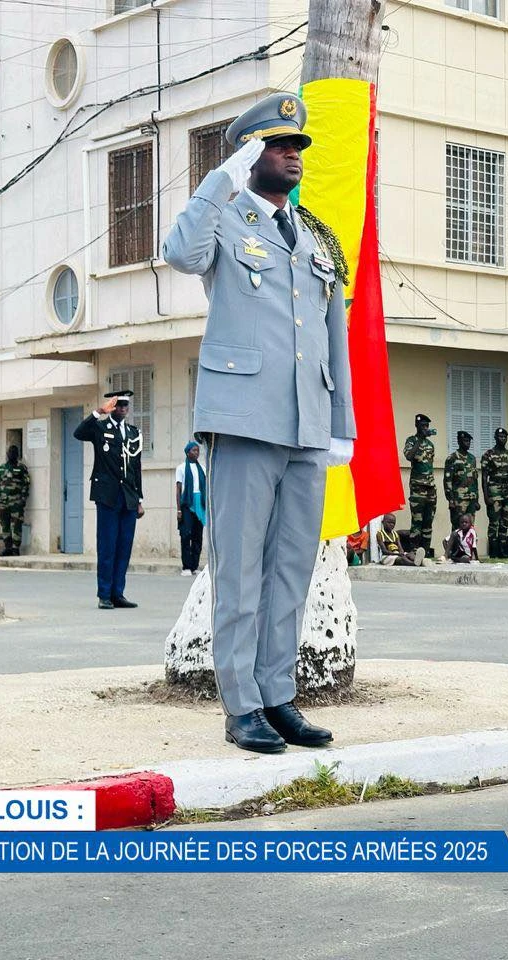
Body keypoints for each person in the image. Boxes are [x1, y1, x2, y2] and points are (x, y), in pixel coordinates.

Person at [163, 92, 354, 755]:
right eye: (278, 146)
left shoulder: (316, 237)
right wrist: (221, 178)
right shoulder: (222, 220)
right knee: (239, 570)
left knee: (291, 570)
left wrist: (343, 426)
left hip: (307, 423)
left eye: (297, 147)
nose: (293, 156)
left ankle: (277, 698)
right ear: (249, 154)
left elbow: (336, 337)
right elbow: (179, 252)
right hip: (244, 421)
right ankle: (239, 703)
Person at [74, 391, 145, 608]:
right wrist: (99, 412)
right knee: (108, 546)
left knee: (124, 547)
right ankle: (104, 594)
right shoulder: (100, 428)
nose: (123, 409)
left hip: (129, 498)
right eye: (119, 405)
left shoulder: (134, 433)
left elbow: (136, 468)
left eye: (125, 405)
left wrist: (140, 499)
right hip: (107, 497)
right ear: (112, 407)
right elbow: (78, 432)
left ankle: (118, 594)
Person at [480, 427, 508, 559]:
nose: (502, 439)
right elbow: (484, 477)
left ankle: (502, 550)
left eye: (504, 437)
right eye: (500, 437)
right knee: (494, 522)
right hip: (494, 490)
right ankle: (493, 550)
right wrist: (486, 496)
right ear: (495, 438)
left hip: (507, 491)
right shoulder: (488, 454)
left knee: (505, 521)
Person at [402, 414, 438, 557]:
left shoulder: (430, 445)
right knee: (417, 520)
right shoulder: (411, 441)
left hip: (430, 487)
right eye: (422, 426)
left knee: (428, 521)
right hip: (418, 487)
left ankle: (426, 551)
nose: (425, 428)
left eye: (426, 426)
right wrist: (420, 439)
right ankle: (415, 551)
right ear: (417, 426)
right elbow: (409, 456)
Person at [175, 440, 207, 576]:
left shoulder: (203, 468)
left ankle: (194, 566)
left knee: (197, 536)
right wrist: (178, 509)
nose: (196, 453)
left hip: (200, 503)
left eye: (198, 450)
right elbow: (178, 489)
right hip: (187, 504)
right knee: (186, 534)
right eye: (194, 450)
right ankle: (186, 567)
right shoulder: (181, 468)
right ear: (188, 453)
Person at [0, 445, 31, 557]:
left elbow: (26, 484)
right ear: (7, 454)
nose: (11, 454)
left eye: (13, 452)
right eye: (9, 452)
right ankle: (8, 547)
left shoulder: (21, 468)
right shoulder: (1, 469)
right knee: (4, 524)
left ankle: (15, 548)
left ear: (17, 455)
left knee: (17, 525)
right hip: (4, 503)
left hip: (16, 502)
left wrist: (23, 498)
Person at [443, 430, 480, 542]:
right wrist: (450, 499)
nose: (467, 443)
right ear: (459, 441)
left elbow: (475, 480)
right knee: (457, 526)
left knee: (470, 527)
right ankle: (454, 551)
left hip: (471, 499)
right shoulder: (452, 458)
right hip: (458, 500)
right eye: (464, 440)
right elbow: (447, 480)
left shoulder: (472, 458)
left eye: (468, 441)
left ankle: (467, 551)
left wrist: (477, 499)